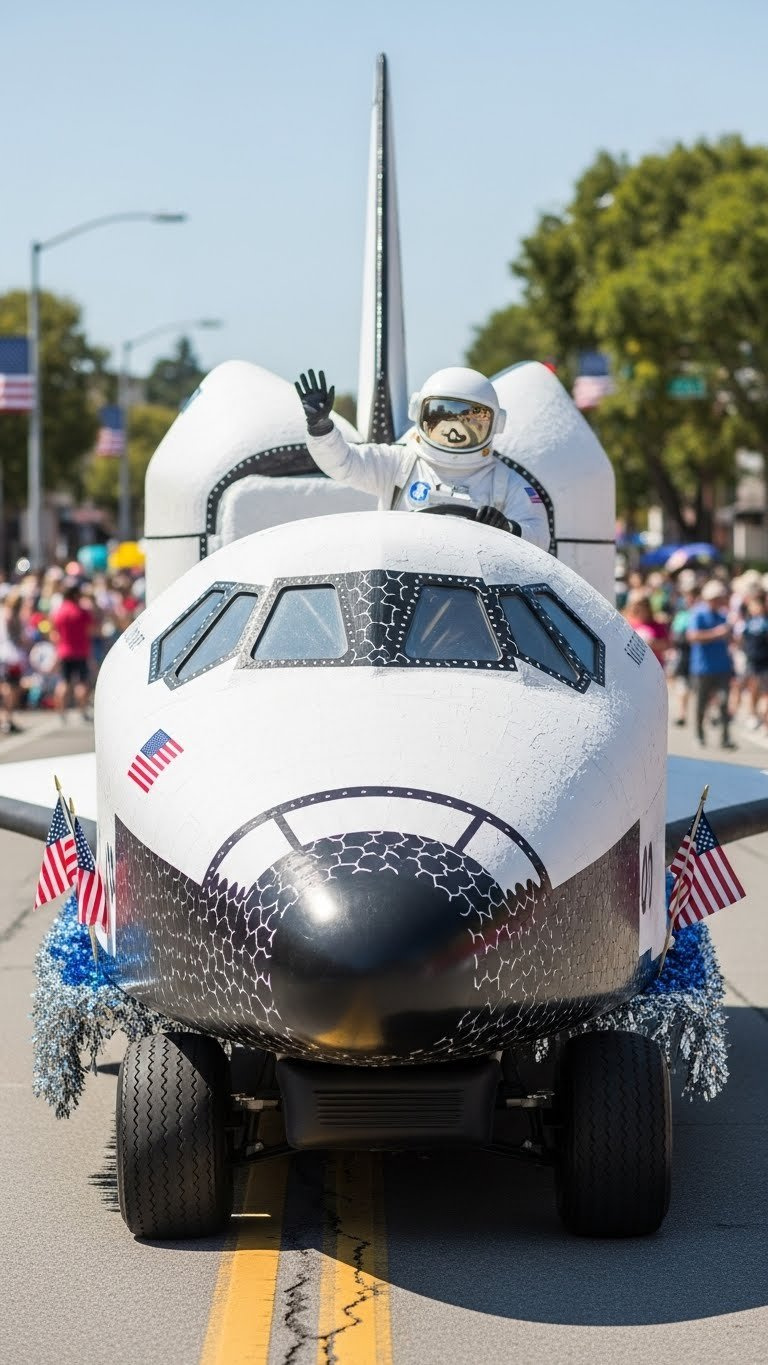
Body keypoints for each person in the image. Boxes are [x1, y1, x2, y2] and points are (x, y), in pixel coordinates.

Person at [294, 367, 551, 548]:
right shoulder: (399, 464)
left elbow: (539, 536)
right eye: (441, 418)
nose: (453, 432)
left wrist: (508, 530)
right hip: (404, 586)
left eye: (469, 422)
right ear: (419, 413)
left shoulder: (505, 483)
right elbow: (344, 463)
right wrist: (321, 427)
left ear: (495, 424)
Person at [686, 579, 735, 749]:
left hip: (722, 667)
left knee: (723, 703)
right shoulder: (698, 614)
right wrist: (716, 633)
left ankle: (725, 738)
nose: (719, 601)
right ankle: (699, 735)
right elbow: (692, 636)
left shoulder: (723, 616)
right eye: (716, 598)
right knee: (701, 703)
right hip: (702, 667)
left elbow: (729, 639)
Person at [50, 582, 94, 722]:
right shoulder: (81, 612)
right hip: (81, 651)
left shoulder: (59, 612)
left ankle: (61, 713)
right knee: (82, 683)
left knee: (64, 682)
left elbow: (54, 633)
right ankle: (82, 711)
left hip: (64, 651)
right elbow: (91, 629)